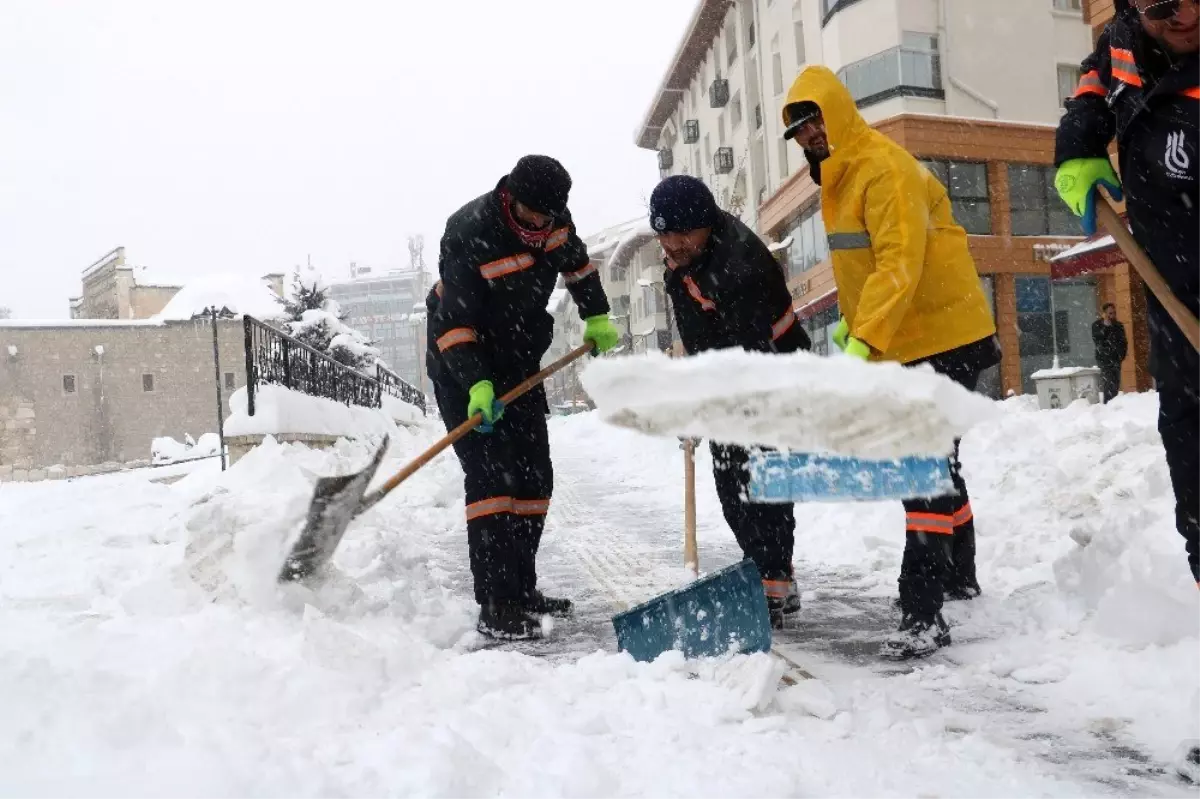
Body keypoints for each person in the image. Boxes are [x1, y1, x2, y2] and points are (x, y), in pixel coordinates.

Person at [781, 65, 1002, 660]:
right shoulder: (840, 179)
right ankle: (958, 575)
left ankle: (922, 610)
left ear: (837, 114)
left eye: (814, 124)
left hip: (943, 337)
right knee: (938, 464)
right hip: (911, 338)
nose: (810, 138)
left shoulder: (882, 168)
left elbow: (899, 264)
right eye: (800, 133)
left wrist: (861, 342)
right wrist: (862, 334)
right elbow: (865, 274)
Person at [425, 155, 620, 640]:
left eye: (547, 219)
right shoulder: (468, 230)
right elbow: (455, 323)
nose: (538, 226)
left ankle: (522, 588)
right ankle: (496, 604)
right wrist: (476, 383)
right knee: (492, 481)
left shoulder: (554, 220)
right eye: (531, 216)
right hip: (462, 364)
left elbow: (576, 266)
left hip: (519, 361)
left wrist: (596, 314)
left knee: (534, 479)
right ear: (511, 199)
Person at [1055, 0, 1200, 592]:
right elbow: (1093, 88)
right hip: (1173, 282)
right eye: (1164, 4)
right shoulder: (1123, 44)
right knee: (1188, 417)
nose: (1186, 14)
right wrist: (1076, 149)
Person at [648, 175, 813, 625]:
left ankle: (773, 584)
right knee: (731, 485)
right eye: (663, 233)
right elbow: (702, 341)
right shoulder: (682, 263)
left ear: (706, 225)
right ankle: (768, 573)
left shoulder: (740, 263)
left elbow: (743, 353)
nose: (672, 243)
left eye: (682, 232)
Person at [1091, 302, 1128, 403]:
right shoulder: (1096, 325)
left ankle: (1113, 405)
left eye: (1114, 313)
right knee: (1108, 384)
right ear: (1104, 314)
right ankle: (1108, 405)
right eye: (1110, 313)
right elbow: (1098, 340)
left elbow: (1124, 342)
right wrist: (1106, 326)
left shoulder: (1118, 325)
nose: (1112, 315)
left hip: (1116, 359)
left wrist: (1121, 355)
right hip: (1104, 360)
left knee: (1115, 383)